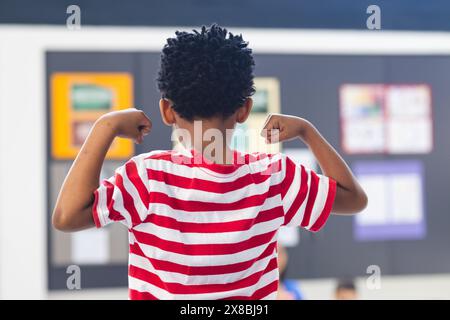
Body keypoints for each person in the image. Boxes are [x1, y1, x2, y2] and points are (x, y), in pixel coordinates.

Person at [52, 24, 367, 300]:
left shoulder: (146, 178)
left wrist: (104, 126)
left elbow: (67, 216)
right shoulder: (273, 177)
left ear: (166, 111)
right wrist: (307, 131)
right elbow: (354, 199)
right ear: (244, 110)